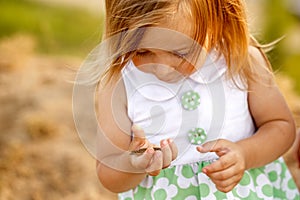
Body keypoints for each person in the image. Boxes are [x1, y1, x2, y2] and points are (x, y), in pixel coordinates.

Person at [91, 0, 299, 199]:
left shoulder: (241, 61)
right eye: (143, 52)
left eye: (181, 53)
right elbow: (108, 172)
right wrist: (134, 164)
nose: (162, 70)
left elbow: (281, 127)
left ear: (217, 20)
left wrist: (245, 154)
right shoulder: (118, 85)